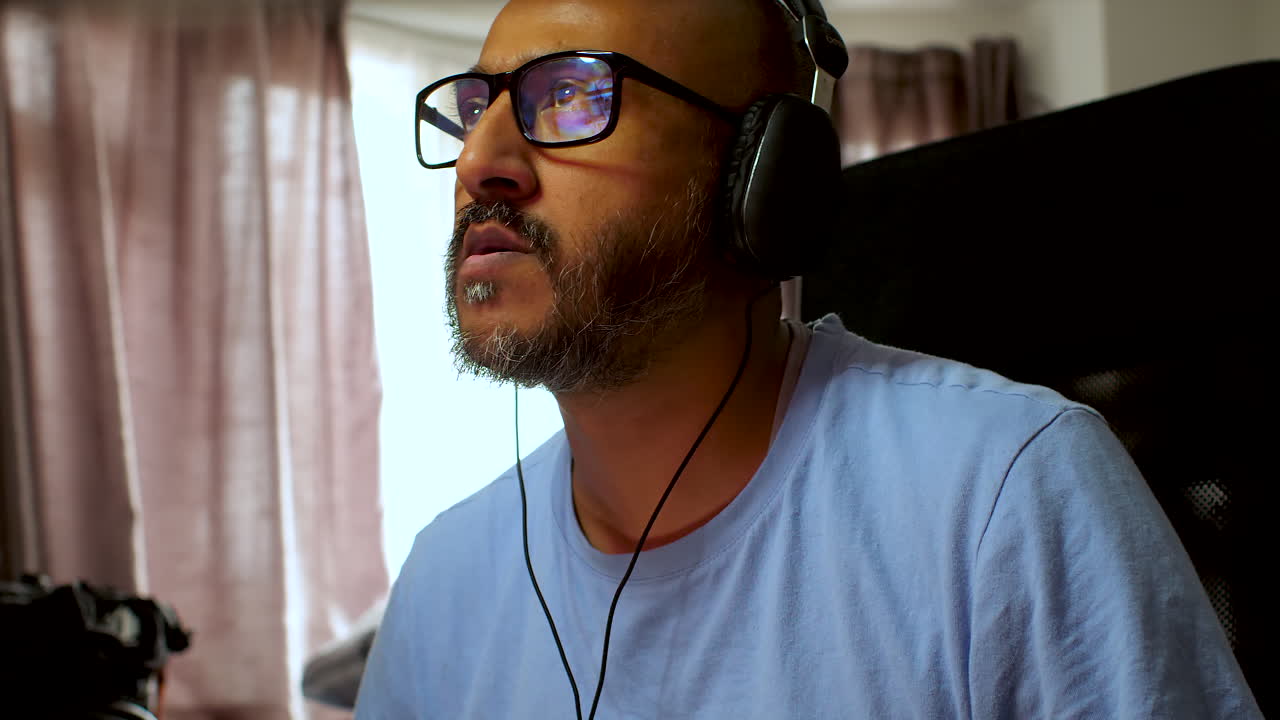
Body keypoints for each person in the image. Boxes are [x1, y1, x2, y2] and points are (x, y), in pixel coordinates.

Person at [355, 0, 1262, 717]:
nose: (479, 162)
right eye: (473, 110)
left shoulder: (1006, 496)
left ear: (761, 181)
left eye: (574, 95)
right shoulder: (444, 585)